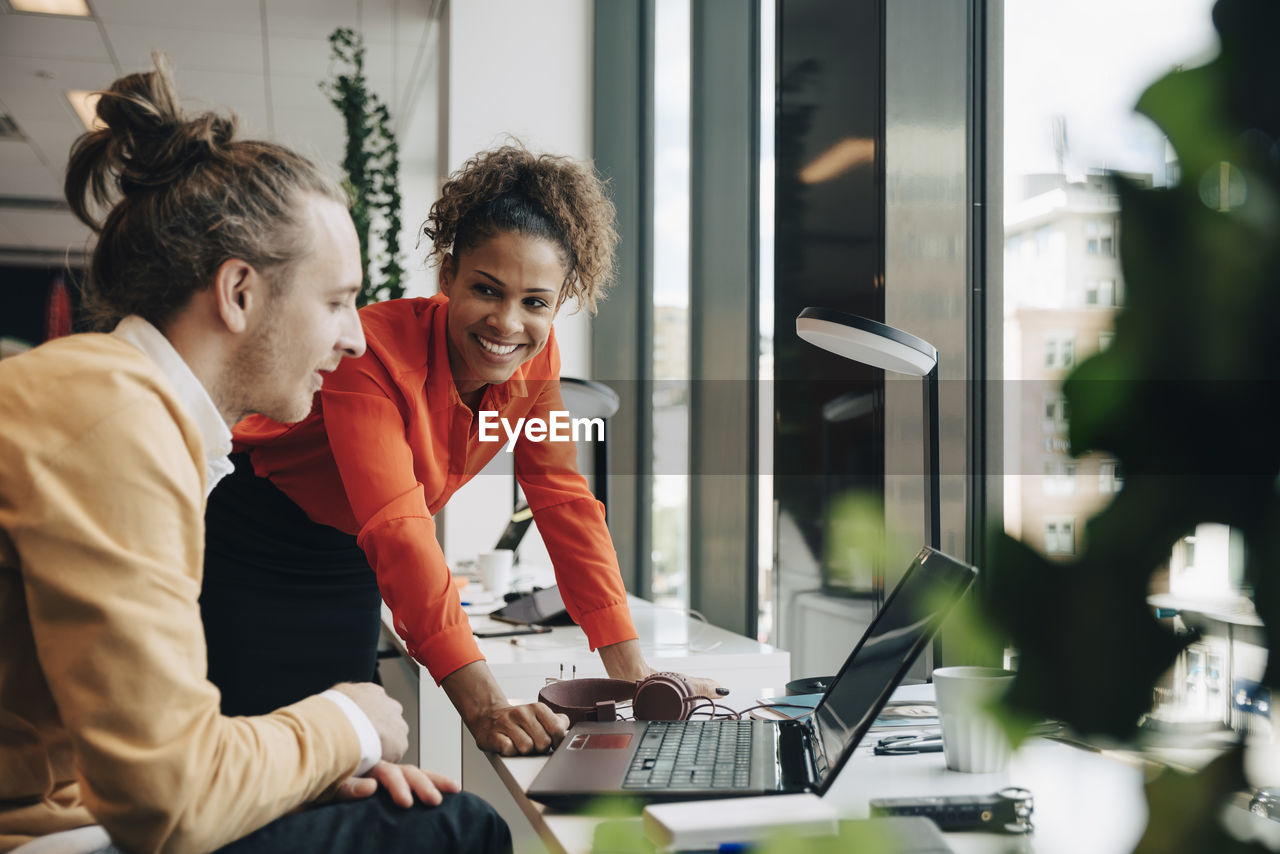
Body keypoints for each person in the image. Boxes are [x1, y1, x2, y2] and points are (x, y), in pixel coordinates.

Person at [0, 59, 509, 854]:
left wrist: (303, 770)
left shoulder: (130, 406)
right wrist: (349, 720)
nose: (352, 336)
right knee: (459, 831)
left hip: (81, 810)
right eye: (338, 301)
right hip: (46, 837)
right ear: (239, 293)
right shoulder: (114, 421)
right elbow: (169, 802)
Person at [201, 144, 723, 756]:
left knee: (345, 758)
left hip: (348, 554)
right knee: (252, 752)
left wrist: (635, 673)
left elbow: (562, 499)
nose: (507, 323)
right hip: (253, 535)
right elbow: (398, 524)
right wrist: (485, 703)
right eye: (486, 289)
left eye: (535, 303)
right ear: (447, 275)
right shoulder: (369, 353)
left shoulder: (538, 359)